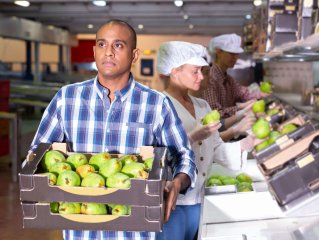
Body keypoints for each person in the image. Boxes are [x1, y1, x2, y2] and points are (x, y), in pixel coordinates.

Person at [28, 19, 197, 240]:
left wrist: (178, 182)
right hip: (81, 232)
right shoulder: (66, 98)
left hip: (135, 233)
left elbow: (184, 155)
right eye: (101, 44)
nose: (108, 52)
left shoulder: (156, 104)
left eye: (118, 45)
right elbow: (37, 152)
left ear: (134, 55)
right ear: (94, 51)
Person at [155, 41, 258, 240]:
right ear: (175, 71)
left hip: (200, 199)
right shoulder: (158, 106)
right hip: (172, 201)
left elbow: (216, 147)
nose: (201, 77)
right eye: (195, 71)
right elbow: (155, 155)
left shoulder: (202, 105)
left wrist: (246, 144)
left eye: (202, 71)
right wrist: (193, 136)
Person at [201, 33, 269, 119]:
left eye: (236, 54)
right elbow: (216, 113)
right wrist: (242, 107)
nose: (235, 58)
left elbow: (243, 92)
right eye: (231, 54)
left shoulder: (228, 79)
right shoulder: (210, 79)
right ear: (218, 52)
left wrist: (260, 94)